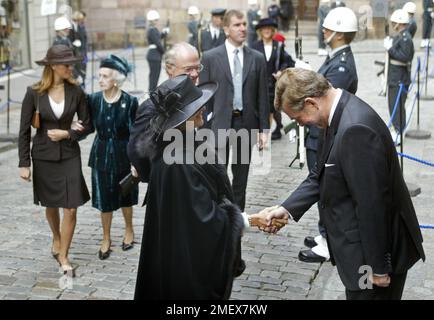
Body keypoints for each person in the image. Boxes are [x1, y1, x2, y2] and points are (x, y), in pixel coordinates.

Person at [264, 68, 425, 300]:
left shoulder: (354, 130)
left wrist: (378, 268)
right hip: (359, 256)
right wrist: (286, 209)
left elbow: (372, 205)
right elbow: (320, 174)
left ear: (311, 103)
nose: (300, 125)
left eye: (298, 118)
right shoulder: (336, 114)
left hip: (371, 262)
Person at [132, 75, 284, 300]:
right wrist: (251, 219)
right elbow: (204, 222)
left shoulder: (180, 145)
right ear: (182, 119)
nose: (203, 109)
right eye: (196, 108)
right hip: (186, 272)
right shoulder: (179, 163)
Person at [18, 45, 91, 276]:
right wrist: (24, 163)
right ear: (52, 66)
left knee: (70, 208)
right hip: (43, 156)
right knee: (51, 204)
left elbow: (88, 124)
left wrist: (68, 133)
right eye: (66, 64)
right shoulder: (34, 93)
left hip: (69, 154)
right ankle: (57, 237)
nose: (71, 68)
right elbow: (23, 131)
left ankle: (64, 255)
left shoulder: (77, 92)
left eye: (71, 63)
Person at [302, 6, 359, 264]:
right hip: (320, 135)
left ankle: (327, 241)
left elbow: (323, 99)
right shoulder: (336, 57)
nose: (322, 30)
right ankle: (323, 233)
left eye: (327, 27)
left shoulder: (342, 65)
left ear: (338, 33)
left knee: (326, 189)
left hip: (325, 134)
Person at [199, 9, 269, 212]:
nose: (243, 29)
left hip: (245, 125)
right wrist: (203, 128)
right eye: (237, 25)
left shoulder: (256, 58)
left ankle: (237, 218)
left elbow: (262, 97)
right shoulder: (211, 57)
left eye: (244, 24)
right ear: (226, 29)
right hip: (219, 124)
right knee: (217, 174)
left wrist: (264, 129)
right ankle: (219, 215)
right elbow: (203, 96)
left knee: (241, 177)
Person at [84, 55, 139, 260]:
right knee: (103, 198)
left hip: (123, 152)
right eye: (99, 76)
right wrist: (72, 132)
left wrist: (136, 160)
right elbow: (87, 125)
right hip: (100, 154)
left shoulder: (130, 101)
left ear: (115, 79)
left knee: (126, 195)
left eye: (105, 76)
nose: (100, 80)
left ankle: (129, 230)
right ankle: (106, 237)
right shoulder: (93, 100)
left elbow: (136, 133)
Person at [128, 42, 203, 182]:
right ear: (170, 69)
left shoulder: (198, 96)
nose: (195, 74)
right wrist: (156, 177)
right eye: (188, 69)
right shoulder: (152, 106)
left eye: (197, 68)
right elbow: (136, 151)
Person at [252, 18, 295, 140]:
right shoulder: (254, 46)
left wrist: (281, 71)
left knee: (270, 110)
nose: (266, 31)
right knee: (259, 109)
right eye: (264, 28)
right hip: (258, 84)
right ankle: (262, 132)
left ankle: (266, 134)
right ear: (260, 31)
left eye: (269, 28)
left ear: (272, 30)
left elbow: (287, 61)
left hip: (273, 85)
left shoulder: (278, 46)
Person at [384, 9, 414, 138]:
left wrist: (390, 49)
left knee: (396, 105)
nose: (392, 24)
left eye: (394, 22)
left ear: (399, 23)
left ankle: (398, 131)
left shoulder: (406, 38)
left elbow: (405, 57)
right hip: (395, 77)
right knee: (394, 104)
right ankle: (398, 128)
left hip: (399, 78)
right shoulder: (400, 36)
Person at [146, 10, 168, 92]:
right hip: (154, 55)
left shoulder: (153, 29)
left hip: (154, 55)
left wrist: (164, 33)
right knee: (154, 76)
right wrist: (165, 52)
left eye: (156, 20)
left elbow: (158, 38)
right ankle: (152, 92)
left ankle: (152, 91)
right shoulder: (152, 30)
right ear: (151, 20)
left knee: (154, 76)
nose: (157, 21)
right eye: (155, 20)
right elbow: (158, 43)